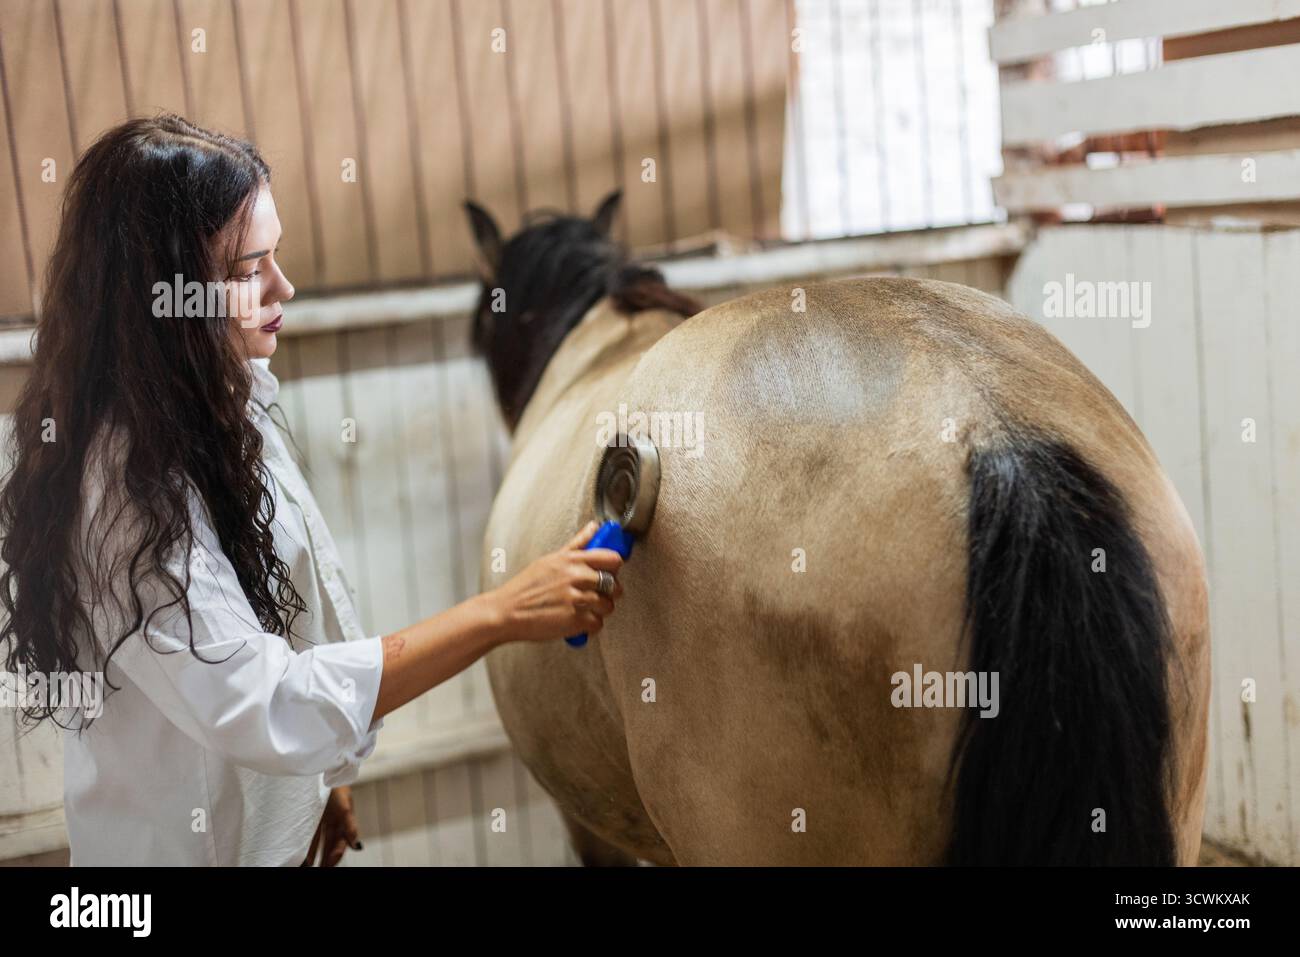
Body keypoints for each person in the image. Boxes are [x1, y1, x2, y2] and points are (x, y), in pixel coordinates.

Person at [0, 114, 623, 866]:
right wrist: (501, 612)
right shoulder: (124, 489)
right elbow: (268, 703)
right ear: (162, 297)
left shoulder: (230, 393)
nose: (282, 286)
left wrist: (323, 774)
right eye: (245, 269)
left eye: (277, 253)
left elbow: (297, 597)